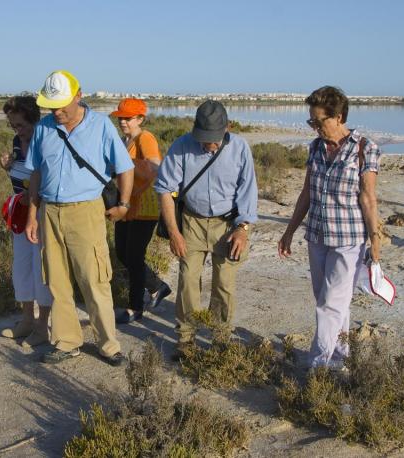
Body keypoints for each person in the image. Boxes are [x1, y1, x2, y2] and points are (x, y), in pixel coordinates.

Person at [24, 70, 135, 366]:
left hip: (86, 211)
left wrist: (124, 204)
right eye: (51, 106)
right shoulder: (43, 128)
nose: (56, 112)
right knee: (57, 281)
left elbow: (125, 168)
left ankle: (108, 345)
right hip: (50, 211)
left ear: (78, 95)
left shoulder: (101, 127)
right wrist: (32, 214)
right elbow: (35, 172)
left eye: (61, 105)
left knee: (94, 280)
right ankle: (67, 341)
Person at [278, 86, 382, 370]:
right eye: (311, 121)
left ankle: (318, 366)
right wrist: (289, 231)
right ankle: (341, 354)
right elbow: (306, 193)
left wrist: (375, 237)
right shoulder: (315, 148)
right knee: (329, 300)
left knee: (330, 304)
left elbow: (368, 196)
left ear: (338, 117)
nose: (315, 127)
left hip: (349, 239)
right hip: (317, 236)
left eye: (319, 121)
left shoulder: (364, 148)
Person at [155, 100, 258, 359]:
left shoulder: (240, 148)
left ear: (227, 128)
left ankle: (219, 338)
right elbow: (165, 191)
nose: (208, 145)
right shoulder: (180, 147)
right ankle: (186, 340)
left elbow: (248, 192)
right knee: (188, 281)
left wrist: (243, 229)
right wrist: (175, 233)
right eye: (203, 138)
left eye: (213, 139)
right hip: (192, 223)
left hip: (229, 225)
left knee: (224, 284)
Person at [109, 98, 171, 324]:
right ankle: (157, 286)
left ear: (140, 119)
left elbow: (155, 167)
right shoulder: (126, 141)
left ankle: (135, 308)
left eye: (128, 118)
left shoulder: (145, 138)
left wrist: (126, 169)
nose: (123, 122)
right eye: (121, 118)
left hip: (144, 207)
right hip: (126, 206)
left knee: (134, 256)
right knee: (123, 253)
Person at [0, 96, 52, 347]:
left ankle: (43, 326)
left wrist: (30, 201)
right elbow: (23, 175)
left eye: (20, 125)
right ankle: (27, 319)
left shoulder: (45, 140)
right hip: (20, 213)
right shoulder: (17, 141)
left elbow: (45, 179)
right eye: (12, 126)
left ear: (34, 119)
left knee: (40, 268)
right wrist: (8, 168)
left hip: (42, 212)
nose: (16, 130)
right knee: (21, 267)